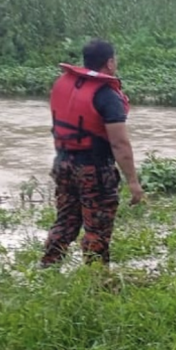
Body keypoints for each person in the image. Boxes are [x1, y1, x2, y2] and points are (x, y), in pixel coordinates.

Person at [41, 39, 143, 268]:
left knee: (65, 221)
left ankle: (46, 268)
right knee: (98, 227)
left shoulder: (63, 84)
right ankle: (97, 281)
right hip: (94, 169)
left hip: (63, 163)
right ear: (109, 63)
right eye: (114, 59)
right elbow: (120, 145)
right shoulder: (107, 95)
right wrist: (134, 182)